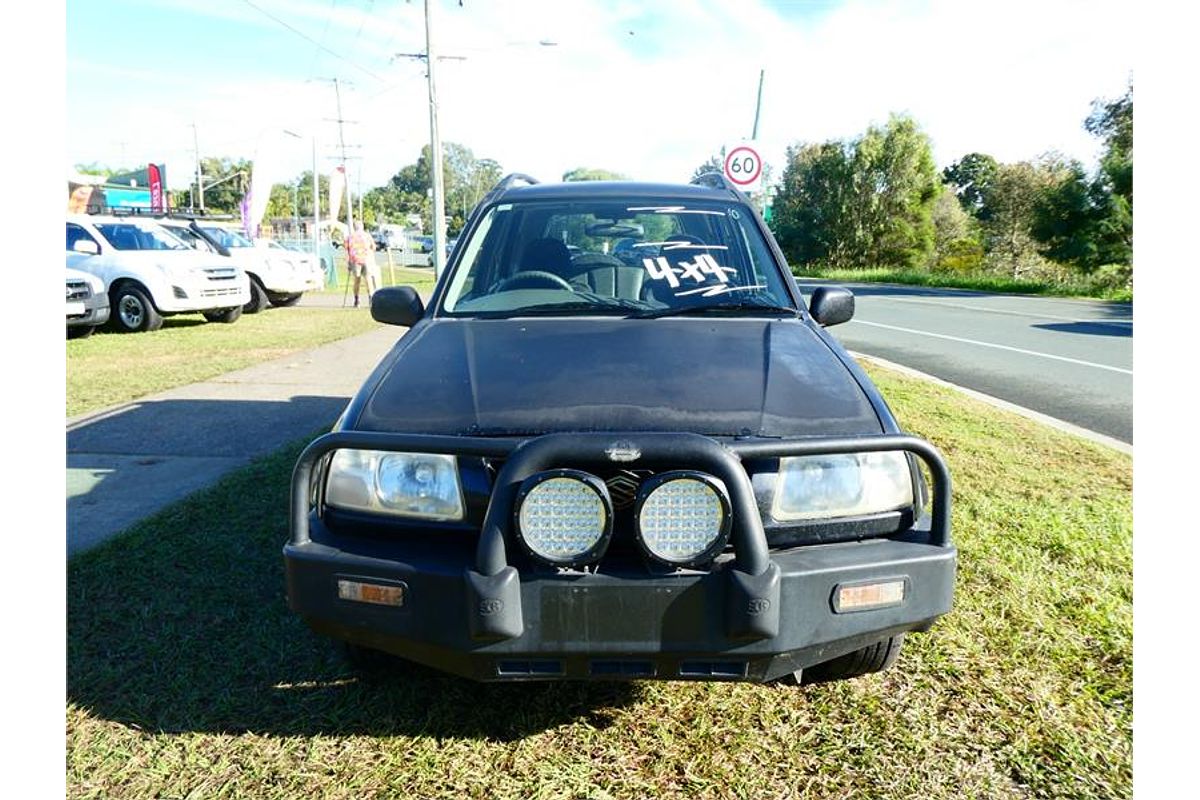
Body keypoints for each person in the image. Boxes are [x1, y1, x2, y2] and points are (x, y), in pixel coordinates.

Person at [345, 221, 377, 307]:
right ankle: (371, 299)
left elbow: (347, 250)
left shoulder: (349, 237)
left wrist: (348, 263)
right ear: (362, 227)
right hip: (366, 259)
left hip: (355, 260)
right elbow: (374, 247)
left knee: (357, 280)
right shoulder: (367, 235)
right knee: (368, 279)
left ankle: (356, 299)